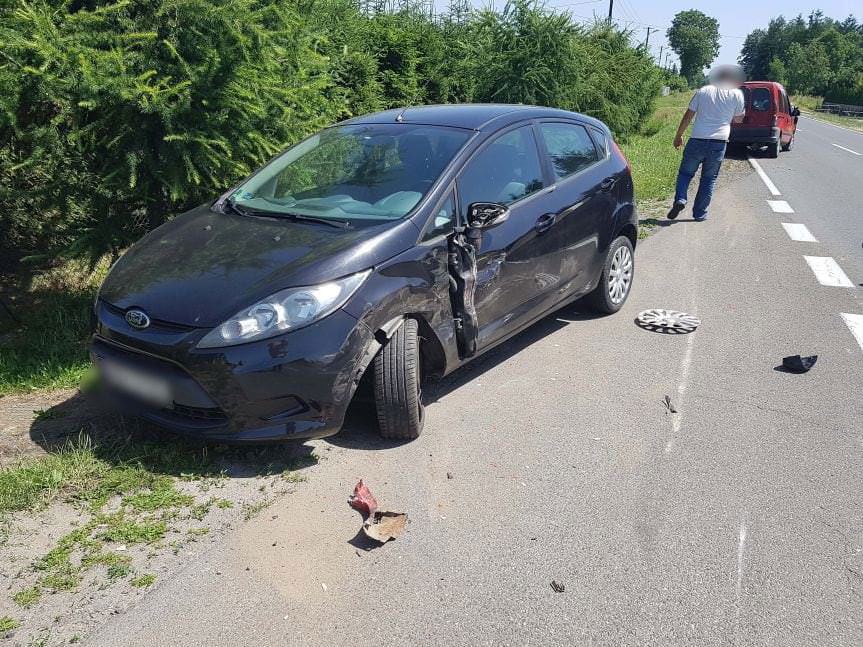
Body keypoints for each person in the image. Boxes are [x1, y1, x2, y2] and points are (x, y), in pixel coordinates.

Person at [668, 65, 746, 221]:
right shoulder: (737, 94)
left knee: (685, 173)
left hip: (697, 139)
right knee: (709, 178)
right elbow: (739, 118)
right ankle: (699, 213)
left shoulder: (703, 91)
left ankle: (681, 199)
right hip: (719, 142)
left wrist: (679, 135)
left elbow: (688, 115)